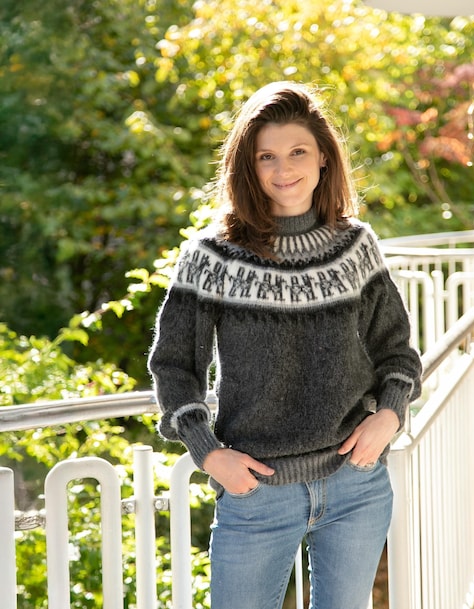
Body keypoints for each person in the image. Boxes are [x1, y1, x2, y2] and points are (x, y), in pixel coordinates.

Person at [148, 81, 422, 609]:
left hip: (355, 485)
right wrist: (208, 453)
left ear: (323, 157)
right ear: (247, 167)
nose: (283, 169)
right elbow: (174, 366)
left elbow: (397, 352)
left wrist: (389, 416)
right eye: (265, 156)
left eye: (297, 151)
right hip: (256, 493)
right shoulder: (213, 256)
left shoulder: (356, 246)